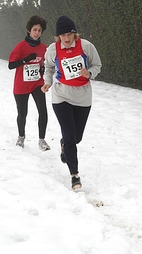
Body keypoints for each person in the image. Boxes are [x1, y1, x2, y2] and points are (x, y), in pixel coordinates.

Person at [41, 16, 102, 190]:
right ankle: (74, 175)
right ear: (57, 36)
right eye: (63, 35)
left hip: (83, 97)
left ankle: (64, 144)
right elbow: (49, 68)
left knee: (76, 138)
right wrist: (48, 82)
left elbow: (97, 65)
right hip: (61, 96)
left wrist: (89, 73)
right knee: (69, 136)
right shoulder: (53, 50)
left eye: (69, 34)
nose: (66, 39)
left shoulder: (86, 47)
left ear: (75, 34)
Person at [8, 15, 51, 151]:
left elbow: (47, 64)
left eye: (39, 30)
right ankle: (21, 137)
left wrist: (43, 68)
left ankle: (42, 140)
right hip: (21, 85)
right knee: (22, 114)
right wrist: (26, 59)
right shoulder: (21, 46)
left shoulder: (44, 48)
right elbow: (11, 65)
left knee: (43, 111)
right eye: (34, 30)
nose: (37, 33)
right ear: (29, 30)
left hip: (37, 83)